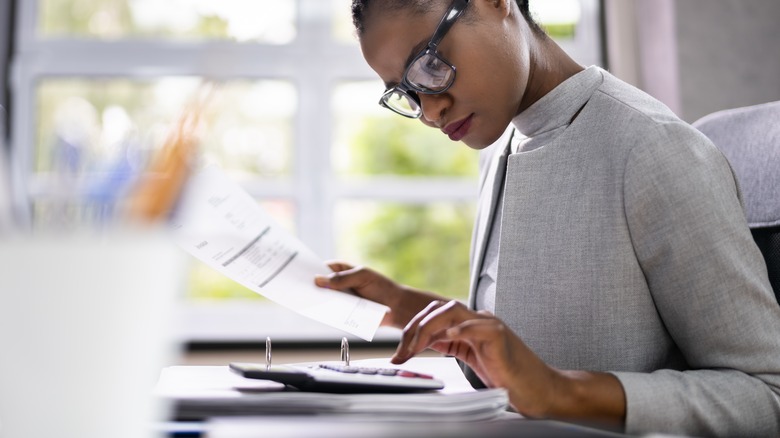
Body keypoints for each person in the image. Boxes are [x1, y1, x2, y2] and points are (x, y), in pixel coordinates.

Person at [314, 0, 780, 436]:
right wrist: (404, 304)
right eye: (406, 93)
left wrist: (562, 392)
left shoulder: (652, 149)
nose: (431, 111)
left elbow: (767, 394)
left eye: (431, 65)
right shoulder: (502, 144)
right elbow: (526, 348)